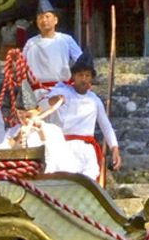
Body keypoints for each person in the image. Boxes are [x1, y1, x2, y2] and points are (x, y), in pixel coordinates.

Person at [49, 53, 121, 182]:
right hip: (64, 146)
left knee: (89, 183)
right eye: (80, 75)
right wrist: (54, 101)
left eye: (87, 75)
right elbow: (45, 104)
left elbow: (106, 126)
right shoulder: (62, 92)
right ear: (74, 77)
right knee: (66, 182)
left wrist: (114, 148)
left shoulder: (94, 100)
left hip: (87, 149)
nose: (84, 79)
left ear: (91, 78)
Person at [4, 79, 77, 174]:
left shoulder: (53, 131)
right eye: (20, 115)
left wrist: (42, 136)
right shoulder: (12, 132)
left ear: (38, 110)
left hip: (47, 179)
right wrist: (17, 138)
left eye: (28, 116)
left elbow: (63, 163)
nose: (24, 119)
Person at [22, 0, 81, 90]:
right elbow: (22, 64)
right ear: (37, 22)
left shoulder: (66, 39)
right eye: (40, 17)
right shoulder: (31, 43)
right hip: (36, 90)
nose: (44, 20)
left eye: (47, 16)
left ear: (55, 20)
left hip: (62, 89)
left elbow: (80, 60)